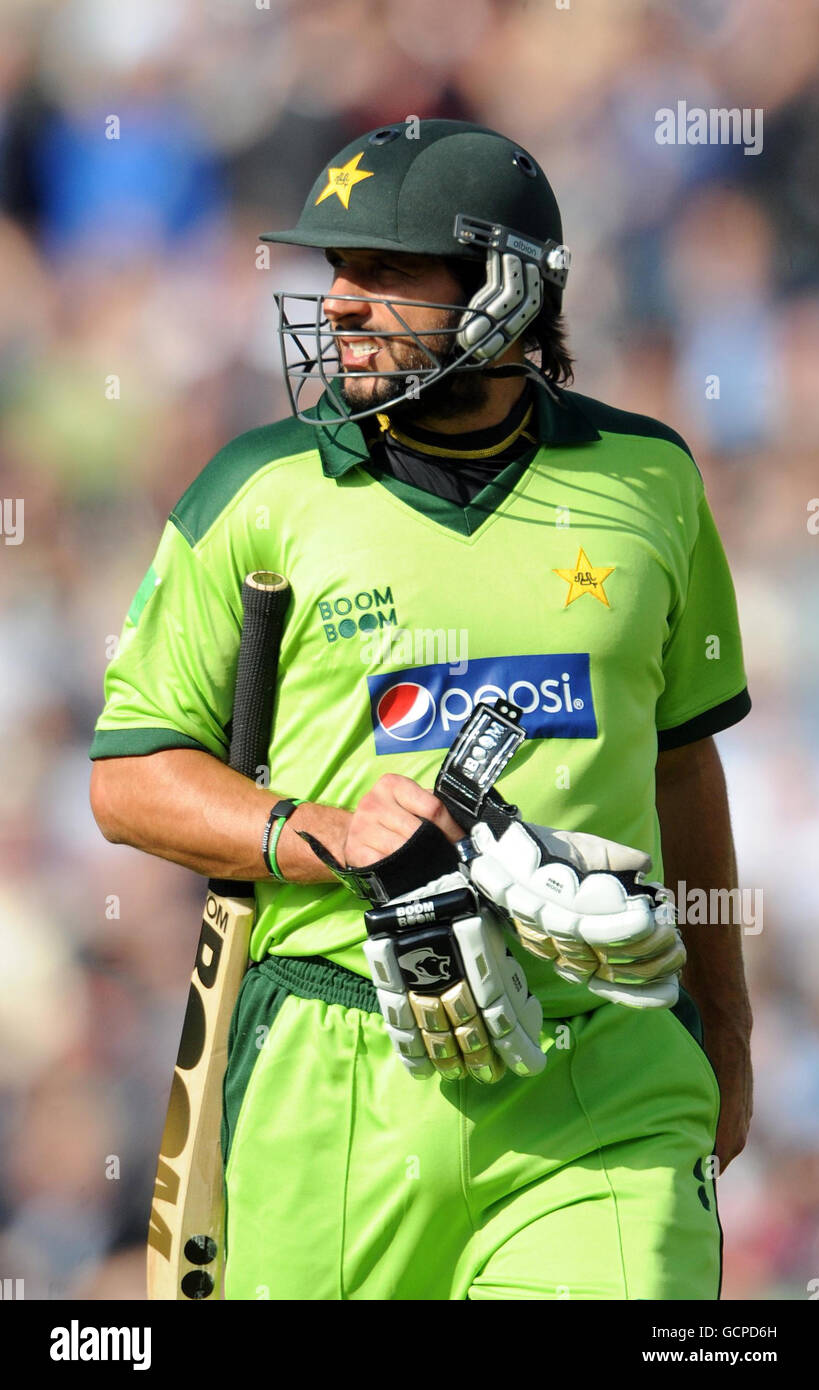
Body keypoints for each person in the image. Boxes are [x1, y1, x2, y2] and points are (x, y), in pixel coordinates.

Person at [90, 119, 753, 1300]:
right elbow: (131, 777)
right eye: (333, 271)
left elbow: (679, 765)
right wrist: (325, 831)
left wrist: (726, 1022)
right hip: (328, 1071)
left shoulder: (650, 477)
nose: (339, 302)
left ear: (504, 289)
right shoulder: (256, 490)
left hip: (598, 1057)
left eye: (384, 272)